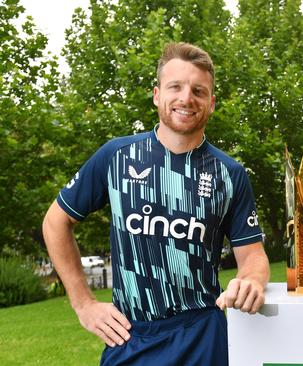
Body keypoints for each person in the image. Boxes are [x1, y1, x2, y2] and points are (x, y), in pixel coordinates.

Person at [42, 42, 269, 365]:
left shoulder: (229, 174)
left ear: (212, 103)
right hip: (130, 336)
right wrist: (83, 303)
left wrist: (251, 280)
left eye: (199, 91)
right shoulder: (116, 157)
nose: (186, 98)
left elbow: (254, 257)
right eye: (175, 87)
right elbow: (55, 222)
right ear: (156, 95)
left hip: (202, 334)